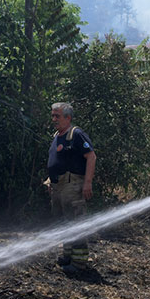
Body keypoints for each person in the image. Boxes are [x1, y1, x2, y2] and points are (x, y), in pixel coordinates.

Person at [47, 102, 96, 273]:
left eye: (57, 116)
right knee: (63, 222)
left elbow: (91, 157)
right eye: (52, 115)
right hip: (58, 185)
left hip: (72, 184)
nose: (54, 119)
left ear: (68, 118)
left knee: (76, 222)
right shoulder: (57, 136)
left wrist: (87, 183)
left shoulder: (76, 135)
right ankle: (66, 256)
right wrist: (50, 180)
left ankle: (79, 263)